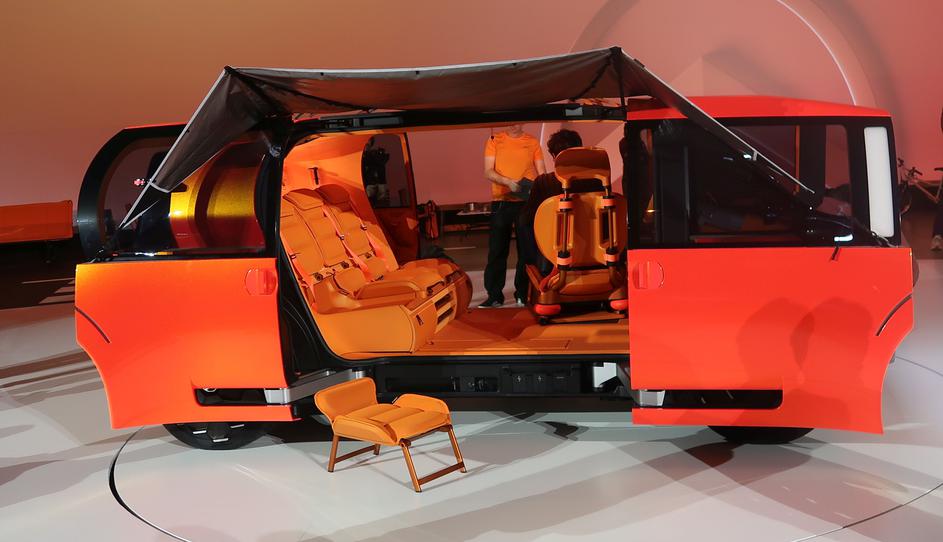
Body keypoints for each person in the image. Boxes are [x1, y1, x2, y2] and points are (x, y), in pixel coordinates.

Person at [480, 124, 546, 308]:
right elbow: (488, 171)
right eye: (510, 120)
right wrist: (508, 182)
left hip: (526, 202)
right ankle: (494, 295)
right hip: (501, 201)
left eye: (518, 121)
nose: (514, 124)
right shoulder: (495, 140)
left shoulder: (532, 142)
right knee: (497, 249)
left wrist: (539, 190)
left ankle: (523, 294)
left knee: (526, 250)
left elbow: (542, 172)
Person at [519, 129, 587, 275]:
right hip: (594, 256)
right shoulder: (597, 181)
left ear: (554, 156)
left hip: (553, 260)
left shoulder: (544, 182)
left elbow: (525, 220)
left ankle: (536, 271)